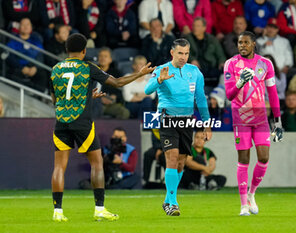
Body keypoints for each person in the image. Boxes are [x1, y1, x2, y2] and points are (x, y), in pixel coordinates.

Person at [49, 33, 155, 222]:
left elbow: (56, 99)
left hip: (61, 122)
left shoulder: (55, 69)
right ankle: (99, 209)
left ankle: (57, 212)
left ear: (67, 50)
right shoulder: (88, 67)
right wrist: (139, 74)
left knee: (59, 167)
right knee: (97, 163)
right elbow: (116, 82)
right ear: (84, 50)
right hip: (82, 121)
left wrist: (87, 96)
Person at [144, 38, 212, 216]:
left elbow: (201, 99)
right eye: (180, 53)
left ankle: (167, 199)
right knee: (172, 158)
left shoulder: (194, 72)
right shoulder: (162, 69)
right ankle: (173, 204)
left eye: (186, 53)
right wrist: (159, 79)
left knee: (181, 163)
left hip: (187, 121)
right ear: (172, 53)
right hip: (167, 119)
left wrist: (207, 123)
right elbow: (147, 90)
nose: (183, 57)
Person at [224, 31, 283, 216]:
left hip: (260, 118)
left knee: (264, 158)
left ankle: (251, 194)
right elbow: (229, 95)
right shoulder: (231, 64)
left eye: (245, 42)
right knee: (244, 160)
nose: (242, 45)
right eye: (239, 42)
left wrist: (278, 120)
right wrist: (240, 82)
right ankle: (243, 205)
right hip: (240, 117)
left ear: (253, 44)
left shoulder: (265, 64)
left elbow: (272, 93)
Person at [6, 18, 48, 93]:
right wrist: (21, 67)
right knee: (13, 74)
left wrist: (35, 67)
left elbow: (40, 55)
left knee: (43, 75)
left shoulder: (36, 40)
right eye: (23, 25)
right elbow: (10, 56)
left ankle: (38, 98)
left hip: (33, 67)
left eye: (28, 24)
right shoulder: (13, 40)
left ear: (31, 27)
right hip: (19, 67)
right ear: (19, 27)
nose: (25, 27)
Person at [186, 17, 227, 90]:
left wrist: (221, 62)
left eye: (198, 26)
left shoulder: (212, 39)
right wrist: (192, 60)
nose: (195, 28)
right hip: (196, 69)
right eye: (194, 26)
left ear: (204, 28)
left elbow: (220, 54)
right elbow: (183, 53)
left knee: (223, 74)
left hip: (211, 67)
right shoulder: (187, 39)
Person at [97, 47, 130, 119]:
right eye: (100, 56)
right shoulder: (93, 71)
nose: (102, 58)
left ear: (110, 59)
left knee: (124, 112)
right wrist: (99, 99)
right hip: (95, 104)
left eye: (105, 56)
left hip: (111, 104)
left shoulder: (116, 73)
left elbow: (120, 91)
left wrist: (114, 97)